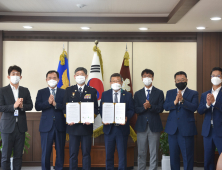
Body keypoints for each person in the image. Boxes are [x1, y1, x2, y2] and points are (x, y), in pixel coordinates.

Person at [63, 67, 98, 170]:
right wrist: (68, 118)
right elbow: (64, 107)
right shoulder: (69, 90)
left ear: (86, 76)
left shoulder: (91, 91)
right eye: (77, 75)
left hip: (86, 127)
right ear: (74, 77)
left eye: (82, 74)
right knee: (73, 154)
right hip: (73, 127)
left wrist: (91, 118)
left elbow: (96, 108)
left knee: (86, 153)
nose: (79, 76)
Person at [163, 71, 198, 170]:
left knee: (188, 156)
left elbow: (194, 107)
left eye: (182, 80)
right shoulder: (170, 92)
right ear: (175, 81)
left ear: (187, 80)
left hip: (186, 129)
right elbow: (165, 106)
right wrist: (174, 102)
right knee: (173, 157)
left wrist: (182, 100)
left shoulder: (193, 93)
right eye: (178, 80)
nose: (180, 82)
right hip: (172, 129)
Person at [0, 65, 33, 170]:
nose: (15, 76)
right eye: (13, 74)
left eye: (17, 74)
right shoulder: (2, 90)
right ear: (8, 76)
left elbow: (30, 106)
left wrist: (22, 106)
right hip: (7, 127)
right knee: (5, 156)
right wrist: (13, 106)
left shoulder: (25, 90)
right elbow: (1, 107)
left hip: (20, 128)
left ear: (21, 77)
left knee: (18, 156)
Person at [100, 73, 134, 170]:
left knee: (122, 155)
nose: (115, 83)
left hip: (122, 129)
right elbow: (102, 109)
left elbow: (131, 109)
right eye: (113, 81)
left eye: (118, 81)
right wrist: (104, 119)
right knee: (109, 155)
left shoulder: (127, 95)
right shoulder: (105, 94)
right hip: (109, 129)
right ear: (110, 83)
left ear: (122, 82)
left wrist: (127, 117)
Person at [35, 70, 66, 170]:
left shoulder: (64, 92)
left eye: (54, 78)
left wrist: (56, 104)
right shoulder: (41, 92)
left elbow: (66, 107)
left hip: (60, 126)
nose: (52, 80)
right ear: (46, 80)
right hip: (46, 126)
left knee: (60, 152)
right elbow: (37, 106)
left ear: (58, 79)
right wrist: (48, 103)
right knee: (46, 152)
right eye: (50, 78)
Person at [134, 69, 164, 170]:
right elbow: (135, 109)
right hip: (141, 126)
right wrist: (144, 107)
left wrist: (150, 106)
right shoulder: (137, 94)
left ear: (153, 78)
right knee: (141, 152)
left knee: (154, 153)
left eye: (149, 76)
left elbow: (160, 108)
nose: (147, 78)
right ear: (142, 78)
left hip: (154, 126)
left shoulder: (159, 92)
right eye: (145, 76)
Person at [197, 67, 222, 170]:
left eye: (218, 76)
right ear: (210, 77)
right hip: (207, 131)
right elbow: (199, 111)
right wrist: (207, 104)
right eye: (213, 76)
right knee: (208, 158)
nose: (215, 77)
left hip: (220, 130)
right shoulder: (204, 94)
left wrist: (215, 102)